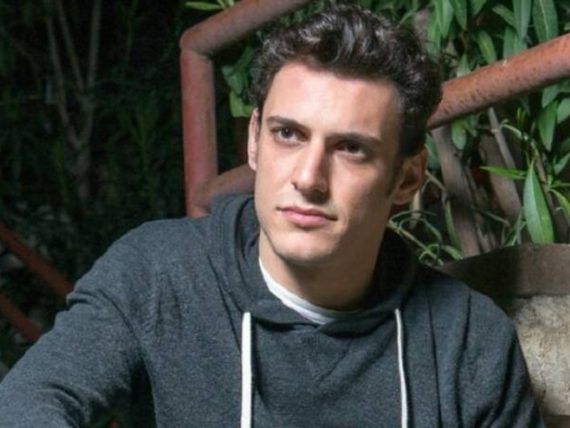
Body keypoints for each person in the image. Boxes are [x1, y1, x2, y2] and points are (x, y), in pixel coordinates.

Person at [0, 3, 543, 427]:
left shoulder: (467, 339)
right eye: (288, 134)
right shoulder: (158, 274)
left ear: (405, 178)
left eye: (350, 148)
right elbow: (30, 402)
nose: (308, 177)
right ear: (255, 140)